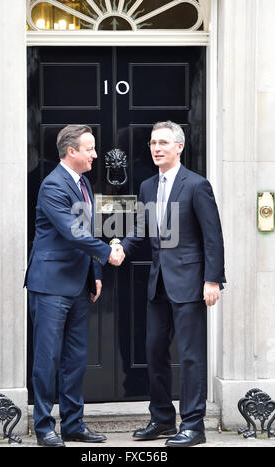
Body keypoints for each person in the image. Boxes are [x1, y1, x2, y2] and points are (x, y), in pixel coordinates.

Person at [119, 121, 226, 447]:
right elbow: (140, 227)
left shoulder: (197, 185)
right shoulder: (148, 186)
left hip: (191, 284)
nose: (156, 148)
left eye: (164, 142)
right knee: (154, 351)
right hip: (158, 284)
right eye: (153, 143)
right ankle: (163, 418)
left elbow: (213, 237)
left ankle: (193, 425)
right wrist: (119, 248)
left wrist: (212, 280)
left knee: (191, 356)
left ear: (179, 147)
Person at [24, 124, 124, 447]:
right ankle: (43, 428)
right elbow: (74, 233)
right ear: (71, 152)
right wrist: (107, 253)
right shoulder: (52, 186)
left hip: (80, 285)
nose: (96, 154)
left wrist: (95, 272)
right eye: (90, 148)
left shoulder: (84, 185)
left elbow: (87, 228)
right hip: (51, 285)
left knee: (75, 358)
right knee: (47, 359)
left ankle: (73, 424)